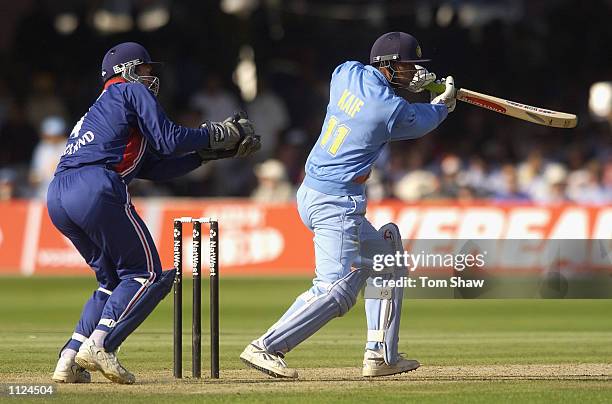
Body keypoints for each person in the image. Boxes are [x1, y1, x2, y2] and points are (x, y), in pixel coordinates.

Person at [240, 31, 456, 378]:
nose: (413, 71)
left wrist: (415, 85)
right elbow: (420, 121)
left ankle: (380, 355)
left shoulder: (345, 73)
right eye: (406, 65)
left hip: (312, 190)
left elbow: (381, 86)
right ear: (386, 66)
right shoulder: (386, 110)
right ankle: (265, 346)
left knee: (386, 257)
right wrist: (442, 104)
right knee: (336, 290)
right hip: (335, 201)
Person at [49, 42, 259, 384]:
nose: (151, 76)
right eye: (146, 69)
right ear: (127, 70)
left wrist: (211, 155)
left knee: (110, 282)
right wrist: (217, 132)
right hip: (95, 186)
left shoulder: (102, 110)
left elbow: (155, 167)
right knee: (144, 273)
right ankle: (100, 344)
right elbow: (169, 138)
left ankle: (69, 358)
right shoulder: (130, 92)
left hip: (58, 194)